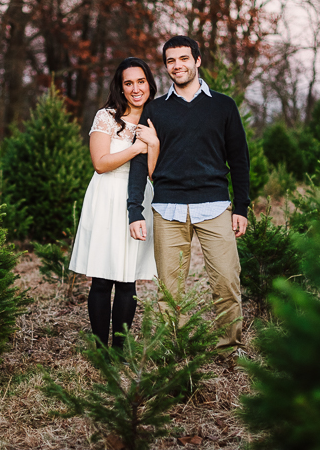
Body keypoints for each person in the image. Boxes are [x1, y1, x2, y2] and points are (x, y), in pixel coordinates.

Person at [127, 35, 250, 352]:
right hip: (168, 209)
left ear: (197, 60)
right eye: (170, 60)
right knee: (169, 290)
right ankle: (174, 351)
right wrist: (134, 210)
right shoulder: (155, 110)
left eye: (183, 58)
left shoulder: (223, 106)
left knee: (226, 282)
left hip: (215, 207)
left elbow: (238, 158)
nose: (177, 65)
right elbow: (141, 162)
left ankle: (228, 348)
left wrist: (242, 207)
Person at [69, 57, 159, 352]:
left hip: (138, 199)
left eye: (141, 81)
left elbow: (153, 172)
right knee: (102, 279)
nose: (136, 88)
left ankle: (119, 350)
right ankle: (100, 349)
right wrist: (135, 147)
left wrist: (153, 144)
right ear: (120, 87)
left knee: (127, 279)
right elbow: (100, 164)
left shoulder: (155, 120)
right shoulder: (107, 117)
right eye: (128, 83)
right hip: (107, 198)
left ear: (149, 83)